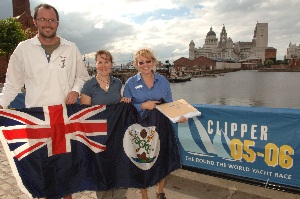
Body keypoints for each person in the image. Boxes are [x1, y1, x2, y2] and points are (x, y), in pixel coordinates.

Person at [0, 3, 90, 199]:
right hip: (37, 121)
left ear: (57, 23)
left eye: (51, 20)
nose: (47, 24)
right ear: (35, 22)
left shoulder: (71, 48)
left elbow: (82, 76)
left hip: (63, 119)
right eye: (43, 19)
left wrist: (75, 91)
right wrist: (1, 105)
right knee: (44, 171)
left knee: (66, 170)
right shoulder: (23, 49)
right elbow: (12, 84)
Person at [122, 48, 186, 199]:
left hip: (160, 123)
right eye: (141, 62)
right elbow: (125, 108)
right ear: (136, 64)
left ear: (153, 62)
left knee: (161, 157)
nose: (145, 65)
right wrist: (142, 106)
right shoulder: (130, 83)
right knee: (142, 161)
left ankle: (160, 191)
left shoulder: (162, 80)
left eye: (148, 61)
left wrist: (179, 117)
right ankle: (144, 195)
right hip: (139, 126)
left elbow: (169, 104)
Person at [80, 50, 128, 199]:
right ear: (95, 65)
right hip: (98, 136)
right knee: (101, 170)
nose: (103, 65)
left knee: (119, 167)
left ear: (111, 64)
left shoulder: (117, 83)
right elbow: (85, 114)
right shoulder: (88, 86)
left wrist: (123, 102)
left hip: (116, 133)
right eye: (100, 62)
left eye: (106, 61)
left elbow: (118, 105)